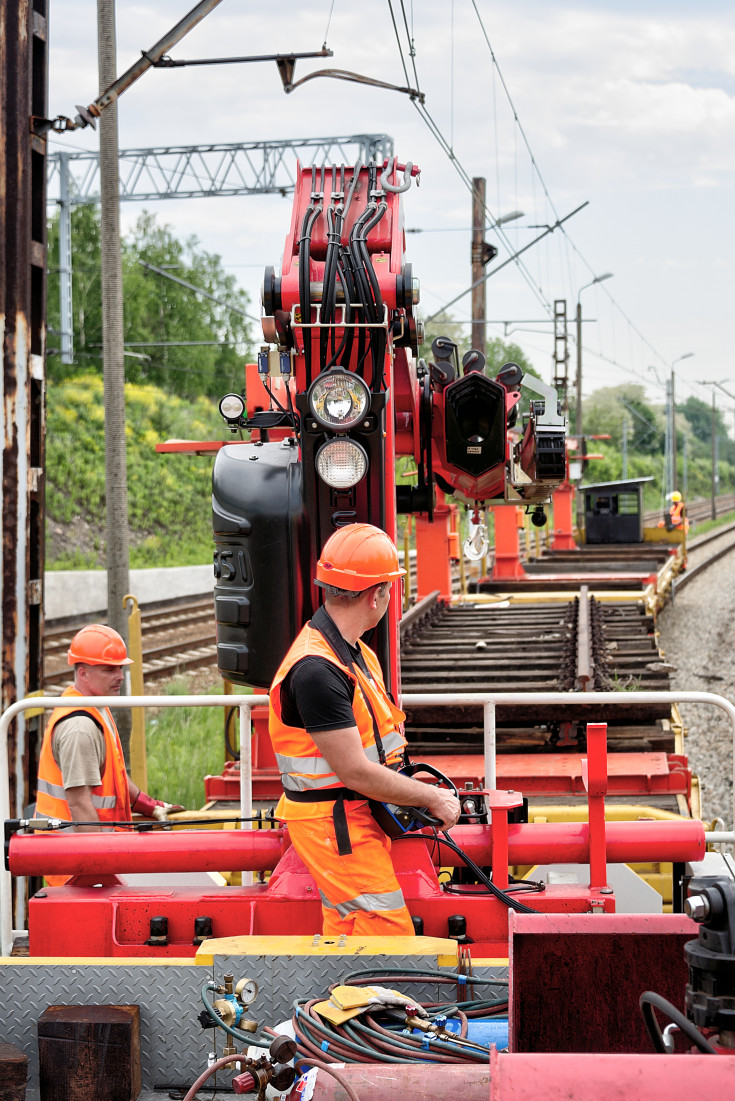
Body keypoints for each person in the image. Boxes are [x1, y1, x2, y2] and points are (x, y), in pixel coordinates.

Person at [269, 523, 461, 936]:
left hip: (356, 814)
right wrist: (432, 797)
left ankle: (341, 1000)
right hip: (335, 822)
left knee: (351, 932)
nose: (391, 598)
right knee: (386, 935)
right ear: (376, 595)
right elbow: (353, 770)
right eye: (390, 588)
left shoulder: (353, 654)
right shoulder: (316, 670)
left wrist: (410, 785)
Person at [36, 624, 181, 884]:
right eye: (109, 669)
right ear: (83, 673)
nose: (120, 676)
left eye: (121, 668)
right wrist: (100, 871)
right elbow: (80, 803)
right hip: (76, 870)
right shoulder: (79, 728)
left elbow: (115, 775)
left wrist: (149, 805)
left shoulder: (95, 707)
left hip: (97, 854)